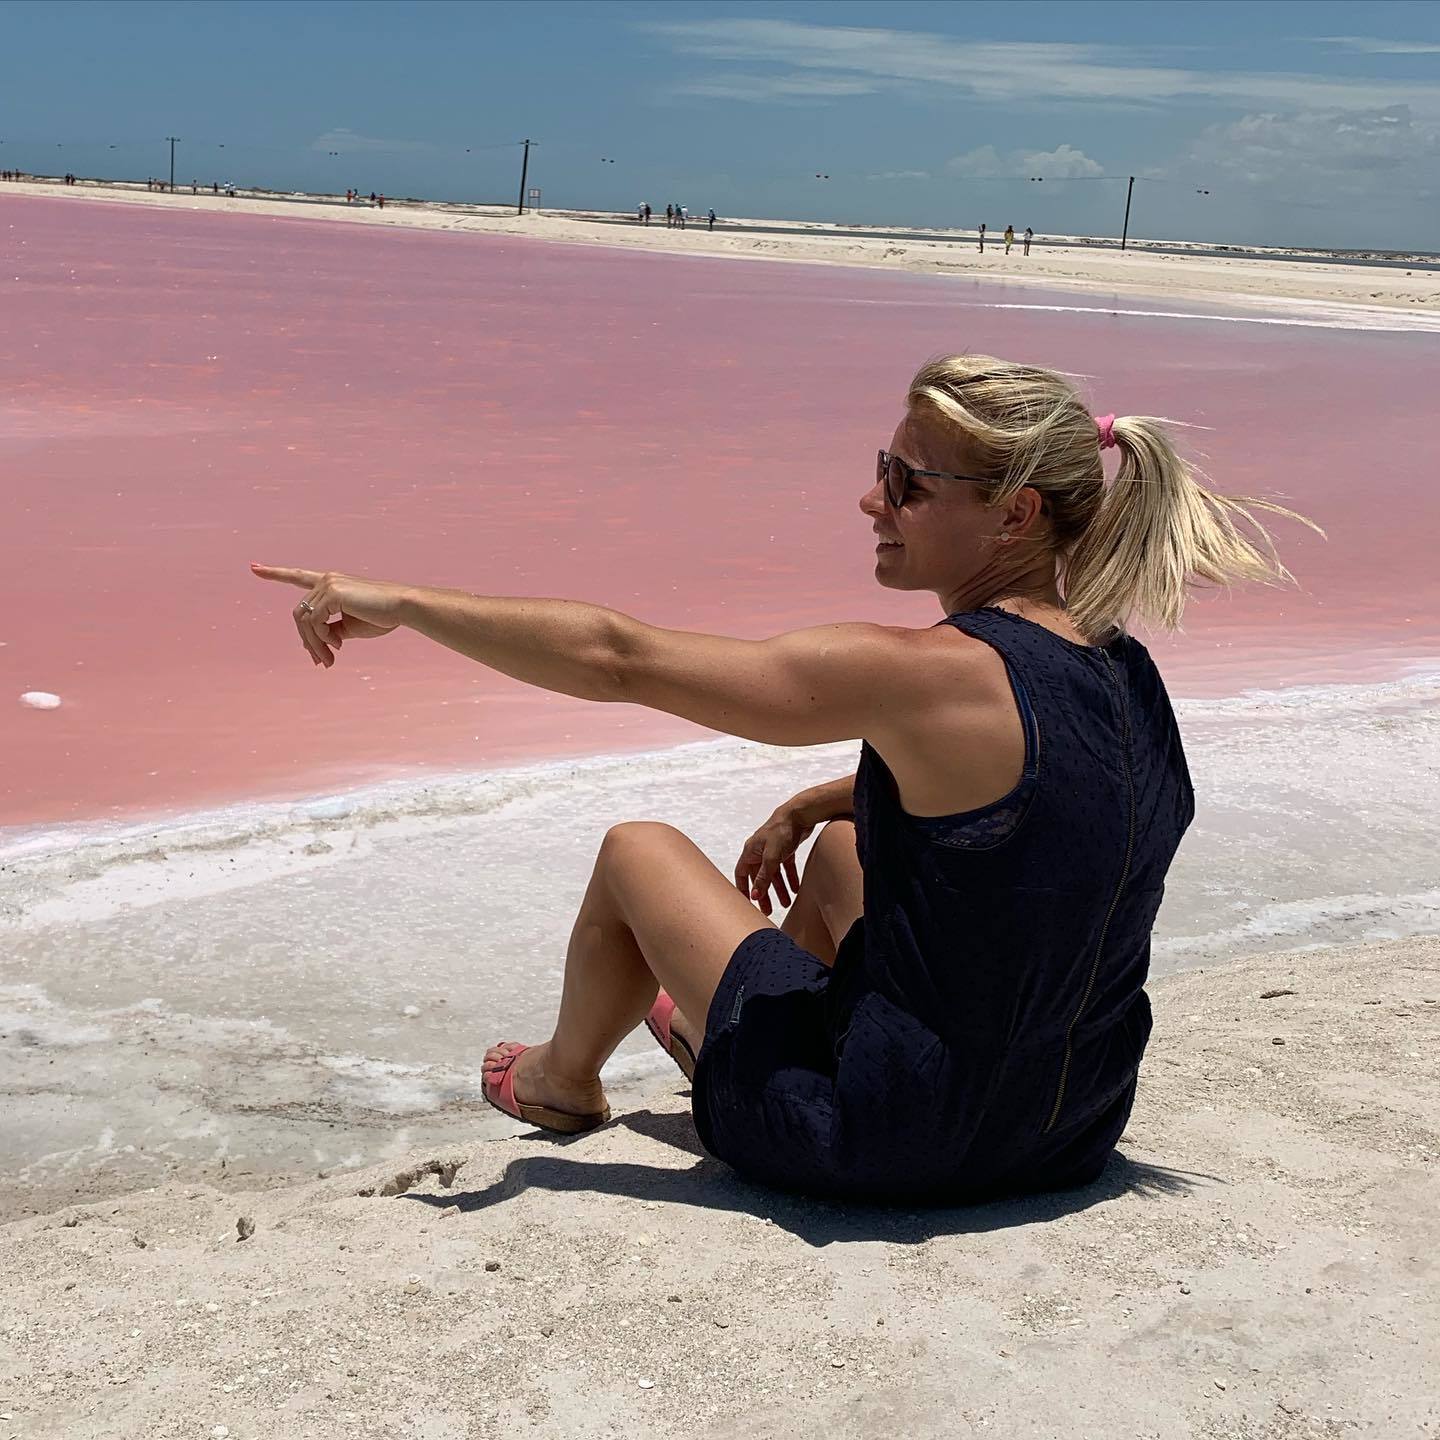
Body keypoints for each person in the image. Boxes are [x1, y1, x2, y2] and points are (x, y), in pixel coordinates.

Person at [251, 353, 1321, 1204]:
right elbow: (1051, 812)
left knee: (636, 852)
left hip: (886, 1145)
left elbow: (618, 659)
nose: (870, 499)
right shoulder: (1123, 672)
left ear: (1015, 514)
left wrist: (405, 603)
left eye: (907, 483)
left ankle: (560, 1081)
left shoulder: (926, 673)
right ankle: (709, 1030)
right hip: (1068, 1130)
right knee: (850, 848)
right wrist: (818, 801)